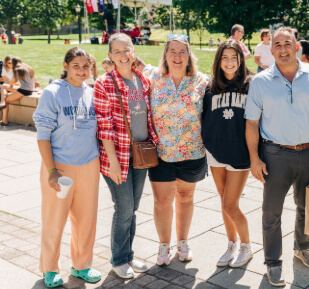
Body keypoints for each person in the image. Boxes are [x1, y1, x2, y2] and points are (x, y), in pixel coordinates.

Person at [245, 26, 309, 287]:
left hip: (308, 153)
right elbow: (251, 123)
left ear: (297, 47)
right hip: (274, 154)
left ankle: (301, 247)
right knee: (271, 211)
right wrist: (254, 158)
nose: (283, 49)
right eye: (277, 45)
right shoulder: (260, 81)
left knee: (306, 206)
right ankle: (273, 261)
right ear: (271, 49)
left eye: (288, 43)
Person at [33, 47, 101, 288]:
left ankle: (82, 265)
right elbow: (43, 135)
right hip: (60, 167)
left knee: (86, 220)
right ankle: (49, 269)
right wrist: (51, 170)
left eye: (86, 66)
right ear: (65, 66)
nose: (82, 71)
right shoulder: (52, 93)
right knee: (54, 220)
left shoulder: (93, 93)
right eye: (76, 66)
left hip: (89, 165)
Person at [94, 33, 159, 279]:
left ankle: (128, 255)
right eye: (117, 51)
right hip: (117, 155)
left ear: (133, 51)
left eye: (127, 50)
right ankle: (118, 259)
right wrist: (111, 162)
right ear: (110, 55)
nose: (123, 55)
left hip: (140, 153)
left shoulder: (142, 80)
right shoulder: (104, 83)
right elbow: (104, 127)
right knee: (124, 209)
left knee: (134, 207)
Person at [148, 35, 208, 266]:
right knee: (162, 200)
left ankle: (183, 241)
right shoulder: (153, 78)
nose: (177, 56)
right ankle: (164, 244)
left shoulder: (201, 81)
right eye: (172, 51)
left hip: (192, 153)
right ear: (165, 54)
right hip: (161, 153)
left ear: (189, 55)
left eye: (182, 51)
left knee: (185, 197)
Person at [202, 39, 254, 268]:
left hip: (240, 153)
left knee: (230, 204)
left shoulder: (252, 84)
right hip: (216, 151)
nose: (230, 62)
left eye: (234, 57)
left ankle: (246, 246)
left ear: (241, 59)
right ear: (219, 60)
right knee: (224, 202)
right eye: (225, 57)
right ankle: (231, 244)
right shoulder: (210, 86)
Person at [0, 56, 39, 125]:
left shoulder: (18, 69)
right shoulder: (28, 68)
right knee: (4, 86)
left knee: (6, 99)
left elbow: (13, 81)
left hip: (23, 90)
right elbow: (35, 81)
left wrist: (11, 85)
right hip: (29, 89)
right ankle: (2, 103)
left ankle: (4, 120)